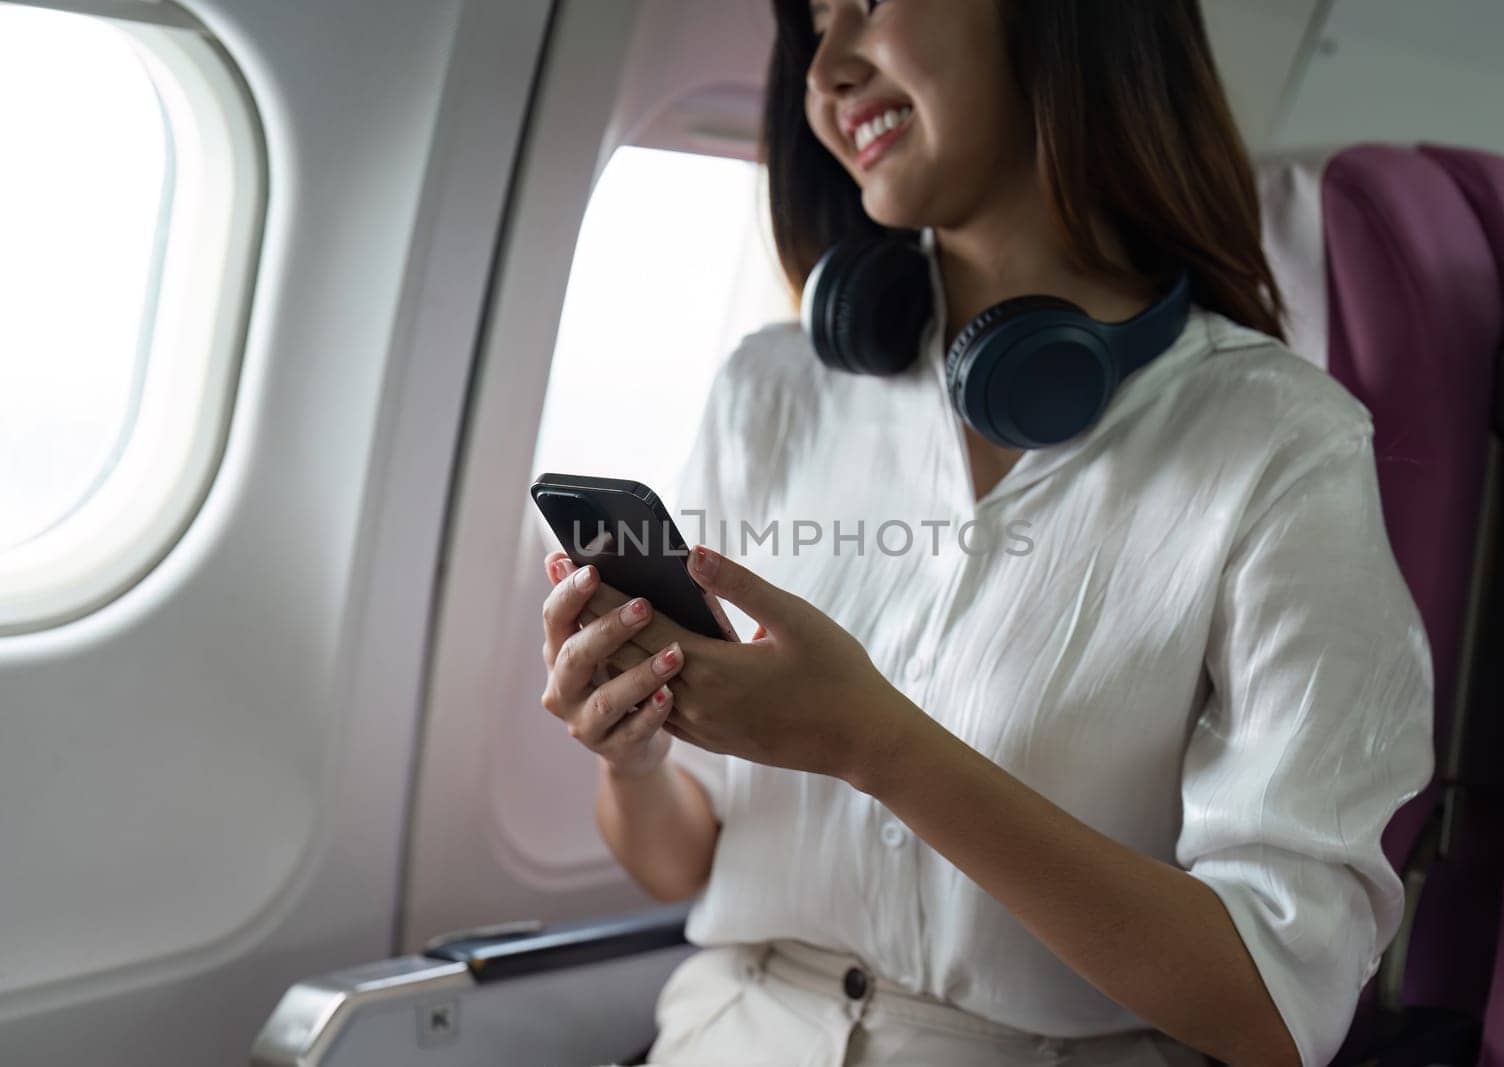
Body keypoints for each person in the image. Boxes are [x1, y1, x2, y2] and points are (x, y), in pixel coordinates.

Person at [538, 1, 1433, 1064]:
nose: (825, 67)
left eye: (867, 3)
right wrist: (631, 756)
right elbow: (682, 860)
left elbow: (1277, 1005)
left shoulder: (1276, 442)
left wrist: (877, 745)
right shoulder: (771, 392)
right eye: (811, 23)